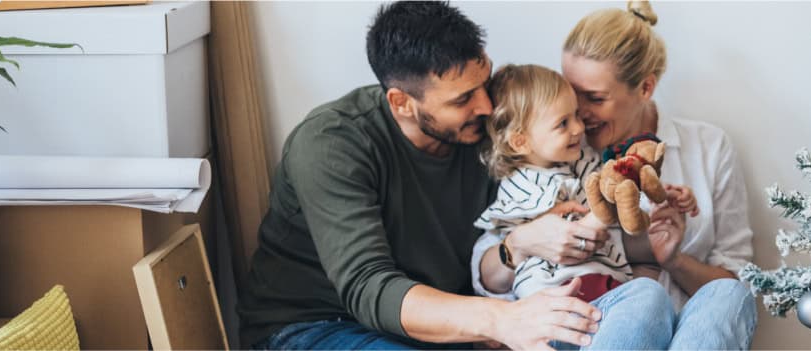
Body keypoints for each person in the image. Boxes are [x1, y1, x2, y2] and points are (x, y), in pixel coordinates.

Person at [239, 2, 647, 350]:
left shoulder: (481, 131)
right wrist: (498, 319)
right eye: (463, 98)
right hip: (319, 325)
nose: (486, 106)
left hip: (444, 325)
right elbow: (369, 287)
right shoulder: (333, 144)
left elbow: (514, 235)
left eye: (483, 83)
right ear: (401, 103)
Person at [473, 1, 759, 349]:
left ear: (645, 88)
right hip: (595, 329)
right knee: (645, 297)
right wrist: (520, 242)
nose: (578, 115)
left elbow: (738, 278)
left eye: (594, 98)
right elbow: (488, 270)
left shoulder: (709, 147)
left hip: (687, 333)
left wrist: (673, 260)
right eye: (571, 94)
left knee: (729, 294)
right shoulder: (559, 151)